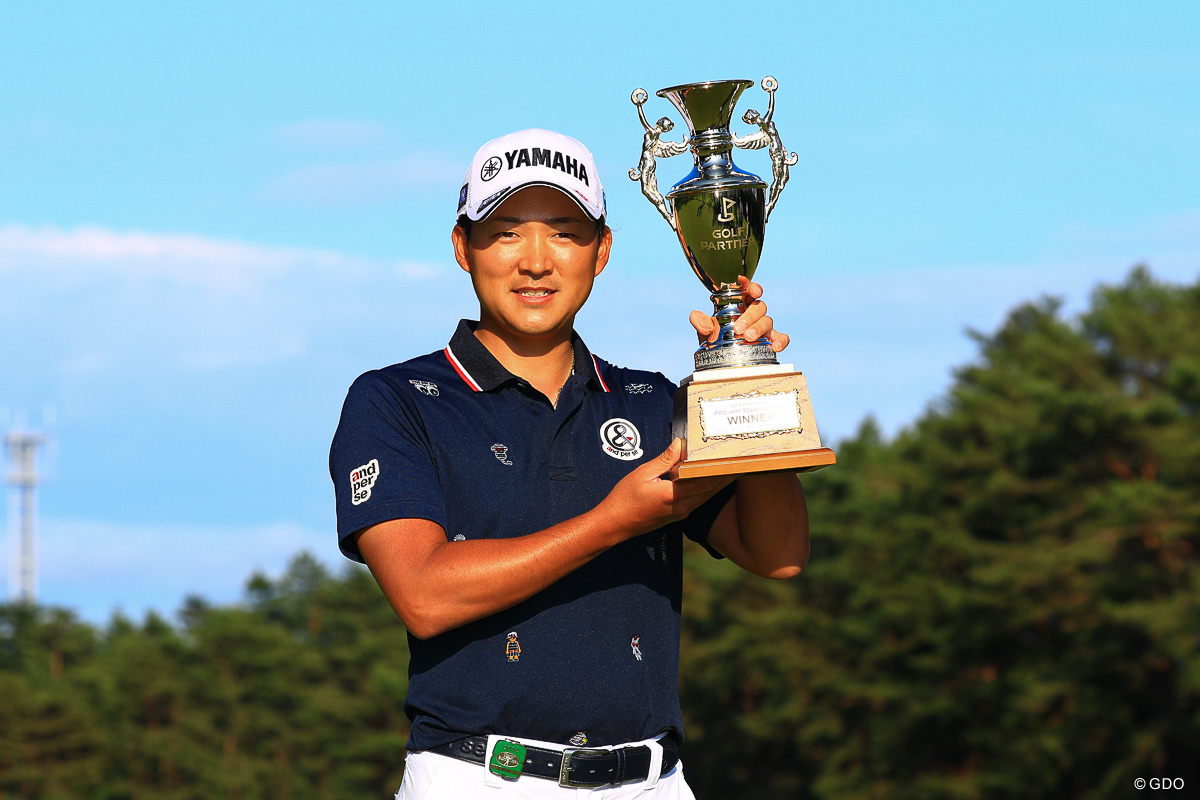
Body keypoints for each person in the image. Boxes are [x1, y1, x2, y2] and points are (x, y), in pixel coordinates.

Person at [329, 128, 810, 799]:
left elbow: (777, 551)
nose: (534, 261)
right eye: (504, 234)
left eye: (563, 233)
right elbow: (425, 595)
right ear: (461, 248)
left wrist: (747, 383)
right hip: (479, 779)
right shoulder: (397, 400)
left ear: (601, 251)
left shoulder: (648, 400)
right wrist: (613, 522)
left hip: (654, 781)